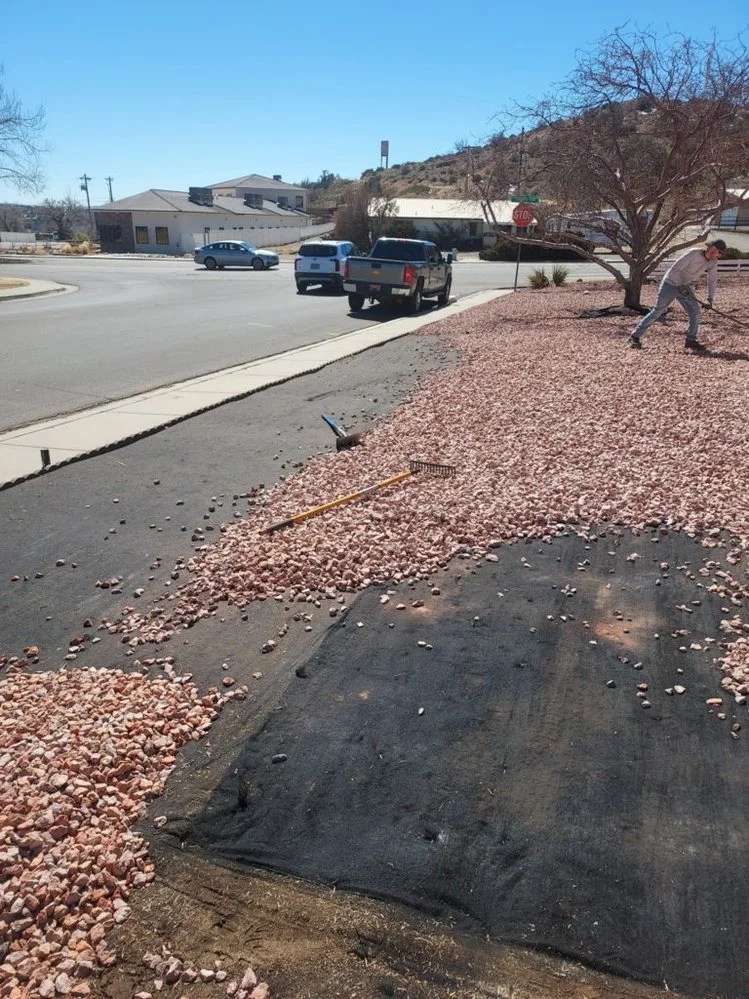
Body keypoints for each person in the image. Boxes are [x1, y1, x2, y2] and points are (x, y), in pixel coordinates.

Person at [628, 239, 727, 351]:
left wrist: (710, 299)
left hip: (684, 286)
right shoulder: (693, 253)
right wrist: (679, 286)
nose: (719, 256)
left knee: (695, 312)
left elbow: (712, 280)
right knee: (658, 311)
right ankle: (635, 336)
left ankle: (690, 340)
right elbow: (676, 269)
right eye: (720, 252)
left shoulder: (712, 262)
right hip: (670, 283)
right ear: (713, 248)